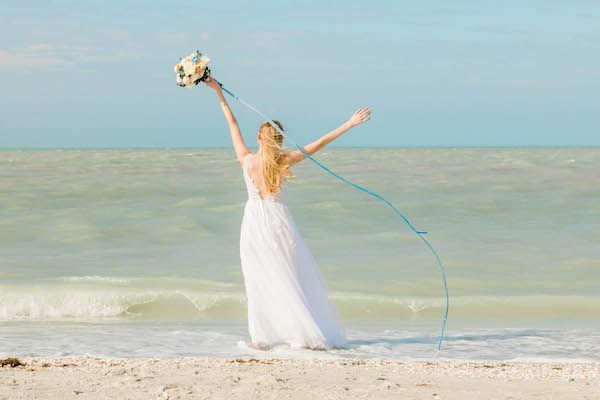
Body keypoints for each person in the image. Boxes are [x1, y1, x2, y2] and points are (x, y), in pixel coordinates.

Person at [204, 76, 371, 350]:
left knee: (259, 277)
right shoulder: (284, 160)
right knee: (288, 274)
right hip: (278, 220)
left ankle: (262, 336)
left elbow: (232, 125)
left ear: (259, 137)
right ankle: (295, 332)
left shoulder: (246, 161)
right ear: (278, 140)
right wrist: (349, 124)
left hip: (254, 223)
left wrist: (218, 94)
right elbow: (319, 143)